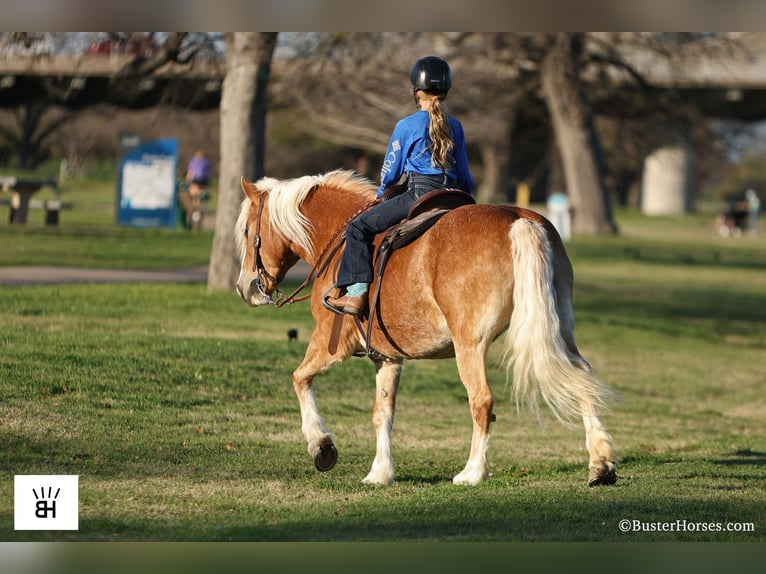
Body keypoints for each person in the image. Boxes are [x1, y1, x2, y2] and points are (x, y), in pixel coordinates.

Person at [326, 56, 474, 316]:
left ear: (416, 91)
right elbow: (464, 176)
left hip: (419, 195)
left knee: (358, 227)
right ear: (446, 91)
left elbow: (391, 171)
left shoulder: (406, 126)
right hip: (453, 195)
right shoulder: (457, 127)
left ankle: (356, 295)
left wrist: (382, 193)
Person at [183, 149, 212, 229]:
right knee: (197, 201)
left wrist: (188, 182)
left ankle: (196, 218)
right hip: (198, 183)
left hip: (200, 183)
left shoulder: (200, 162)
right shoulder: (201, 162)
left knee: (198, 202)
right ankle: (194, 216)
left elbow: (190, 173)